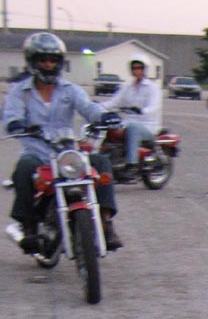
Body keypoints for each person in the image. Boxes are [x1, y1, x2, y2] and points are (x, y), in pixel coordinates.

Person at [2, 31, 123, 252]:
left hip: (66, 153)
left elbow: (88, 107)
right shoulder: (20, 91)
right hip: (36, 152)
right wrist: (17, 125)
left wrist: (104, 116)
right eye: (43, 60)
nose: (48, 65)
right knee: (23, 169)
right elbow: (11, 116)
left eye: (53, 60)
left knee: (101, 163)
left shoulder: (70, 90)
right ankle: (29, 226)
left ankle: (106, 223)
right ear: (32, 61)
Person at [102, 55, 162, 180]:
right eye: (134, 68)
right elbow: (114, 102)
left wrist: (142, 110)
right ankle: (106, 159)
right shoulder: (126, 87)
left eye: (139, 67)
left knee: (133, 127)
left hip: (148, 126)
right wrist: (97, 106)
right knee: (108, 126)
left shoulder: (153, 88)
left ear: (145, 69)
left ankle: (132, 165)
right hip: (128, 123)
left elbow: (154, 106)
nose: (136, 70)